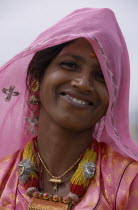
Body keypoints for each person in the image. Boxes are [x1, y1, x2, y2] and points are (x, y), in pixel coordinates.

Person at [0, 7, 138, 210]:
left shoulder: (127, 182)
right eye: (70, 65)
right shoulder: (4, 175)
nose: (83, 83)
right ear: (38, 77)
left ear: (112, 99)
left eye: (101, 76)